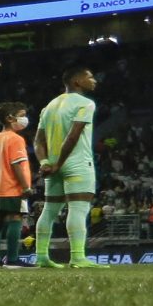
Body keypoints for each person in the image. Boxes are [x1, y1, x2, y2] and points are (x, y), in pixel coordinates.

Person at [35, 64, 101, 269]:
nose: (94, 80)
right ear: (77, 82)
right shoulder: (85, 104)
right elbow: (73, 136)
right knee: (78, 209)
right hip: (77, 163)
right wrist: (59, 163)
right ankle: (78, 257)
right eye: (90, 76)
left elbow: (38, 141)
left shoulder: (50, 106)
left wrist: (46, 162)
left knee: (49, 211)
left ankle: (41, 257)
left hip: (53, 165)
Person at [0, 100, 32, 268]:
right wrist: (26, 186)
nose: (25, 119)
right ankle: (12, 259)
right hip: (13, 186)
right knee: (15, 218)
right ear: (10, 118)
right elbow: (16, 164)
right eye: (22, 116)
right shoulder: (15, 139)